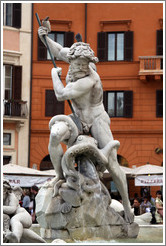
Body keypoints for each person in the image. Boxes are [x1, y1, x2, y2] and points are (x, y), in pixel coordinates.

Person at [38, 20, 134, 224]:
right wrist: (44, 36)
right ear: (71, 61)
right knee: (55, 135)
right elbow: (57, 51)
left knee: (113, 163)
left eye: (85, 64)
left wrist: (54, 75)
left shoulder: (90, 79)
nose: (82, 67)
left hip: (97, 119)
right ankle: (59, 176)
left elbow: (61, 94)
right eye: (78, 64)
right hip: (77, 120)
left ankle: (126, 205)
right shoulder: (72, 60)